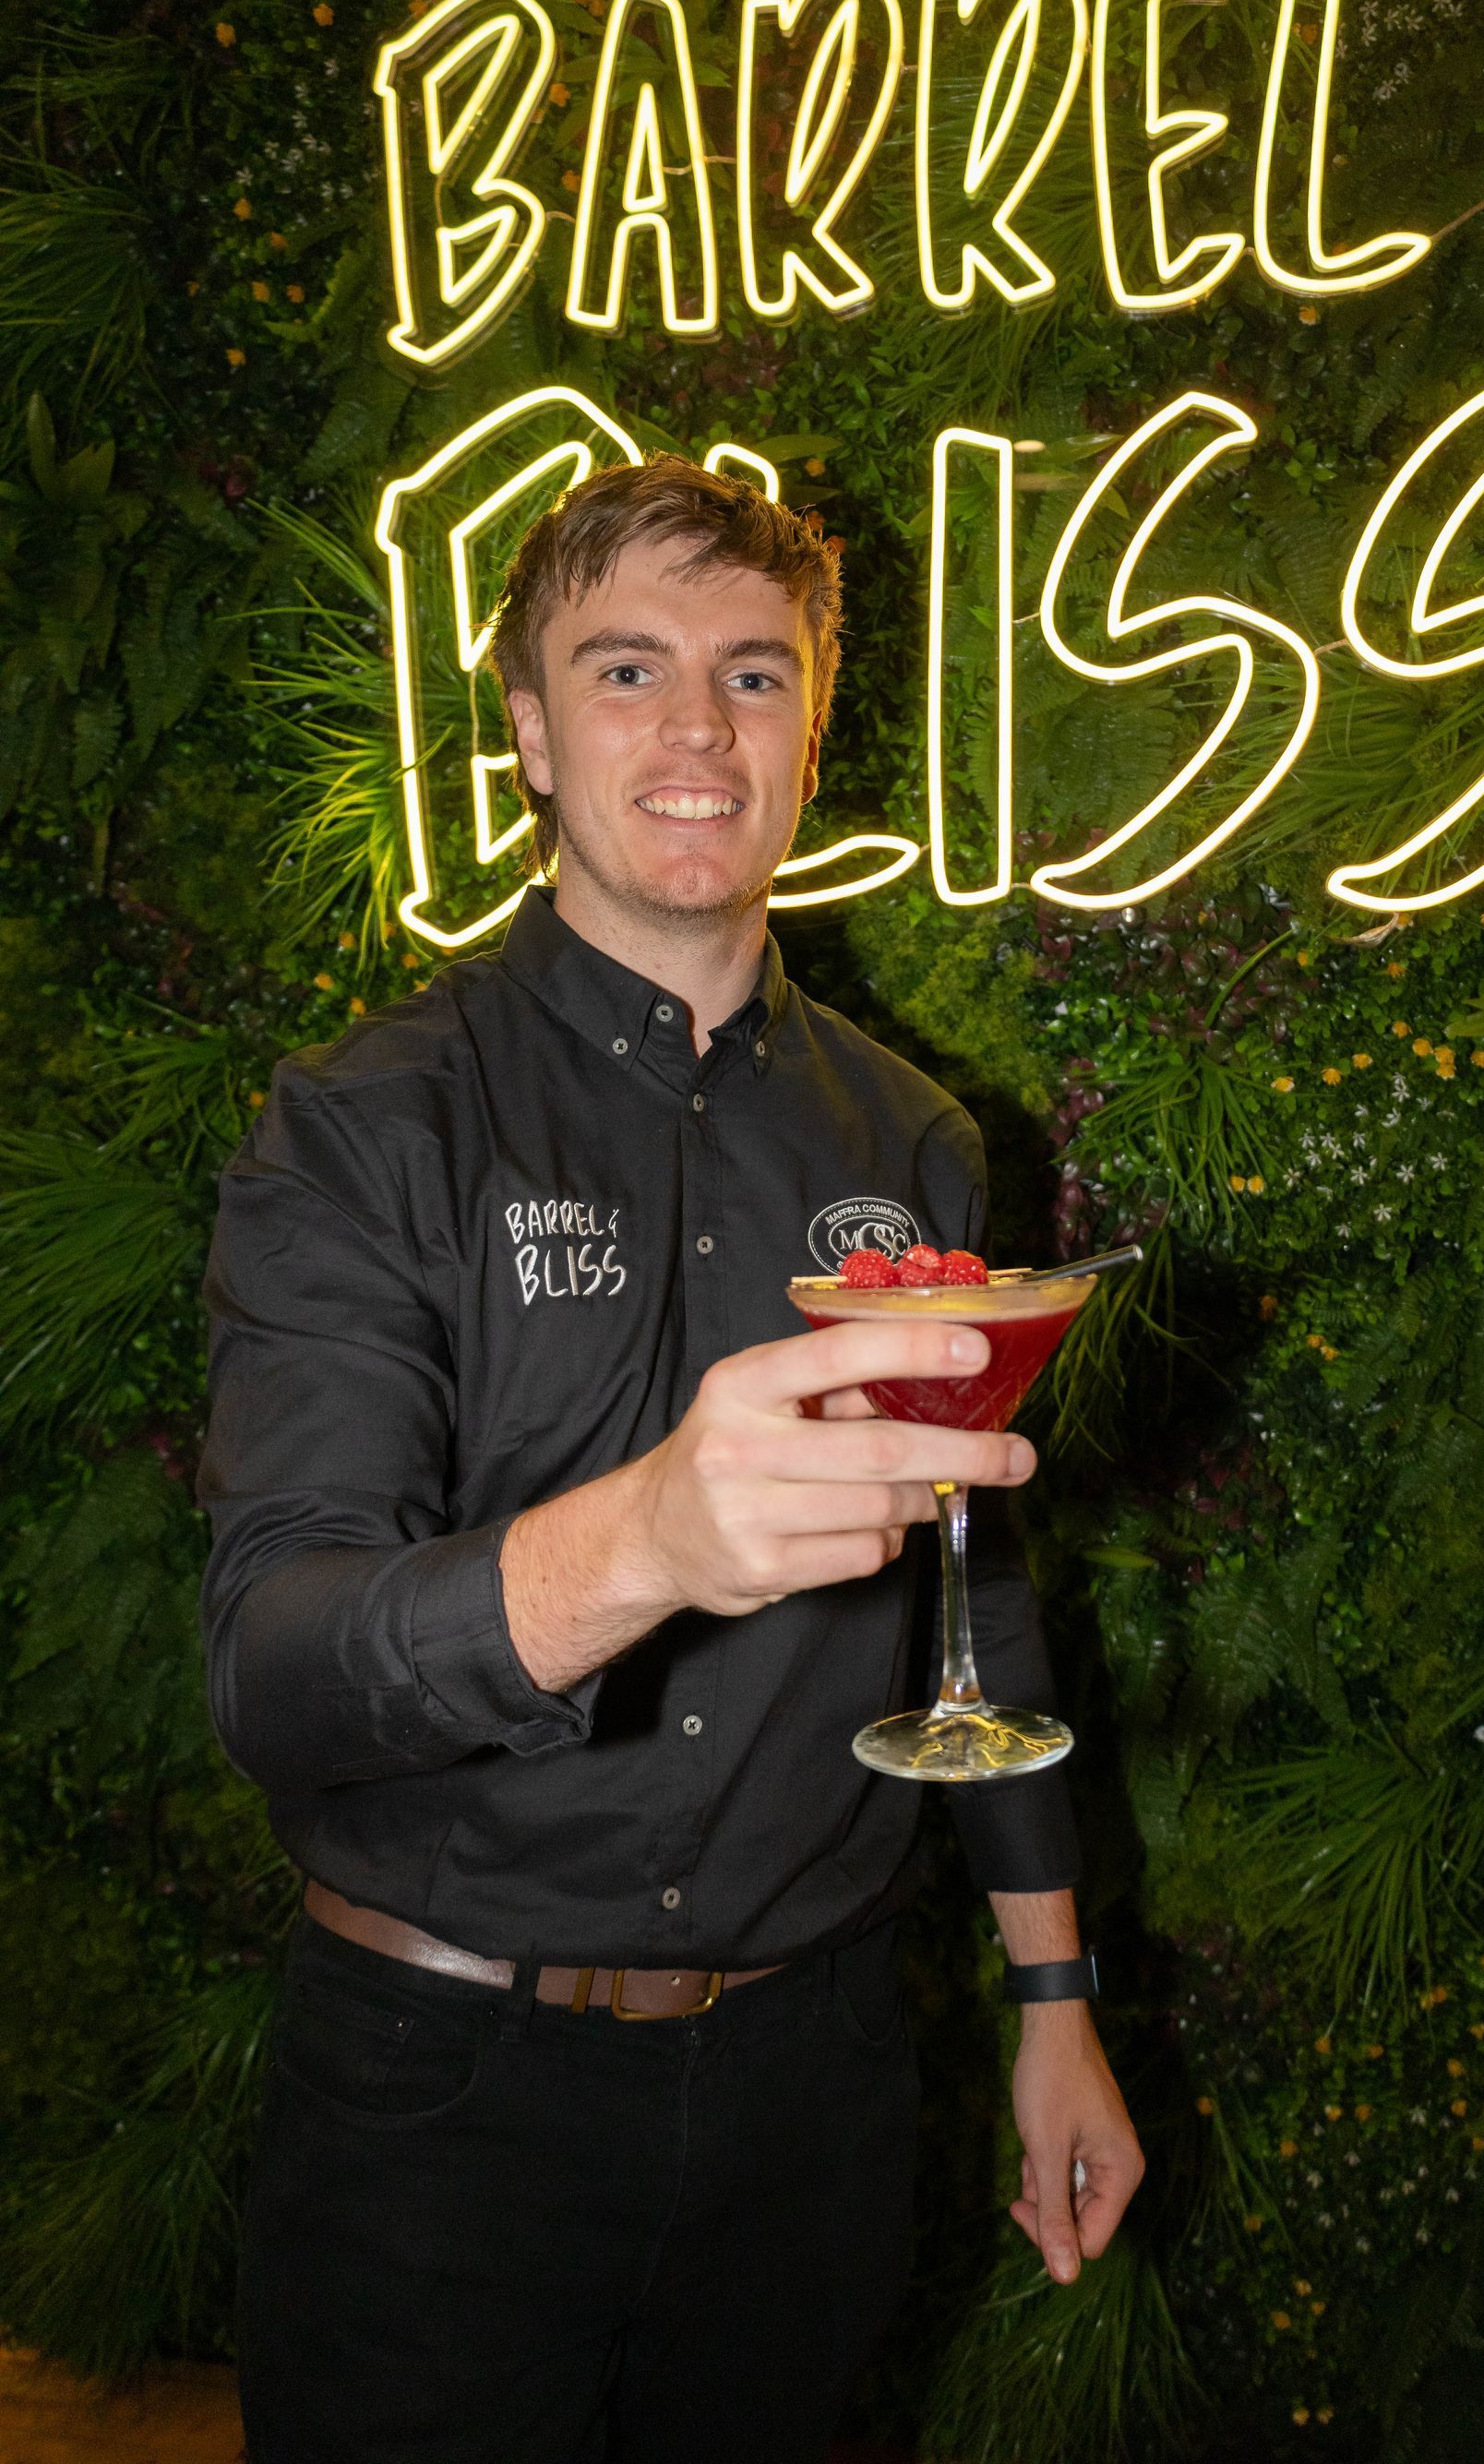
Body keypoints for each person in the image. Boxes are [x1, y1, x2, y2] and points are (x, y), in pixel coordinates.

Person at [199, 458, 1143, 2464]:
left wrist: (1052, 1999)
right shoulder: (369, 1126)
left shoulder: (912, 1140)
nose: (698, 730)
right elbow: (276, 1666)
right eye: (625, 670)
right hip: (441, 2107)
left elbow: (972, 1597)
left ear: (814, 728)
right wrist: (639, 1542)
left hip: (814, 2091)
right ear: (532, 735)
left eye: (756, 675)